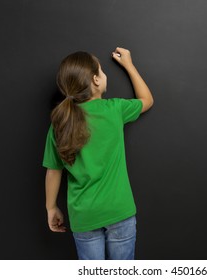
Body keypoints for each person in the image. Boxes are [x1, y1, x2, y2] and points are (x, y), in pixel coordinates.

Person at [42, 47, 154, 260]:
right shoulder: (114, 109)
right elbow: (147, 100)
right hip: (119, 211)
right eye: (102, 71)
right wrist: (129, 65)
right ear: (95, 80)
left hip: (84, 217)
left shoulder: (59, 124)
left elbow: (53, 171)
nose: (105, 75)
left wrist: (51, 207)